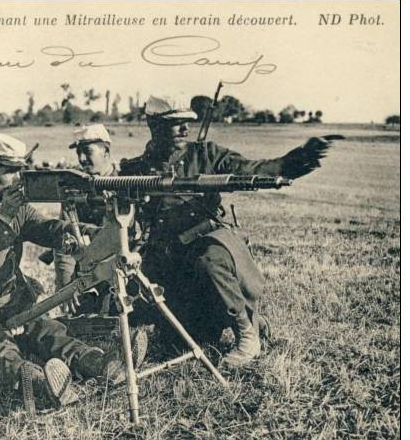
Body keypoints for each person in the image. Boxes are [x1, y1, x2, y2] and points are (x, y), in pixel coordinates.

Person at [119, 95, 337, 367]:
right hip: (169, 260)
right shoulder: (134, 169)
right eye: (175, 124)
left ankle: (246, 333)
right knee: (180, 337)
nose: (184, 129)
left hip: (207, 246)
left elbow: (253, 170)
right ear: (154, 126)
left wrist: (297, 160)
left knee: (211, 259)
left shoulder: (207, 155)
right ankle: (243, 321)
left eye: (187, 123)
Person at [0, 133, 123, 406]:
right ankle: (39, 385)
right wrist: (5, 216)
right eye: (9, 171)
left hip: (8, 299)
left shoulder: (17, 207)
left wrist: (72, 233)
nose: (17, 178)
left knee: (46, 330)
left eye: (20, 170)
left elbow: (44, 227)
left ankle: (101, 365)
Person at [54, 124, 119, 316]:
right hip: (87, 271)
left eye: (87, 152)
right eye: (78, 153)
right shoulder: (75, 188)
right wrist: (65, 288)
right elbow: (64, 243)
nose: (82, 160)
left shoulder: (129, 182)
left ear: (106, 151)